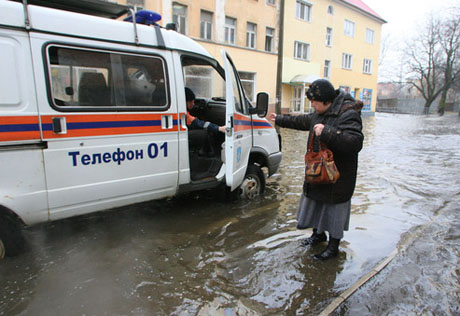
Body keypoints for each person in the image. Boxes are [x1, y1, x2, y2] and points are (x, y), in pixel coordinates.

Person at [269, 79, 364, 260]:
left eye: (314, 102)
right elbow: (303, 121)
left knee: (334, 210)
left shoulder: (348, 114)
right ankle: (318, 235)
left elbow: (355, 143)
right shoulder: (319, 112)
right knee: (316, 203)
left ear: (327, 101)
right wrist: (280, 119)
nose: (312, 105)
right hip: (318, 170)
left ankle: (333, 246)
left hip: (338, 175)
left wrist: (327, 132)